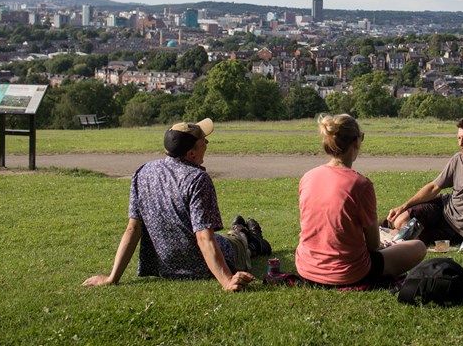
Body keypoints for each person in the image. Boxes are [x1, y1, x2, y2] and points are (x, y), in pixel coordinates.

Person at [82, 118, 269, 291]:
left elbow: (133, 228)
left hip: (164, 267)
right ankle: (248, 238)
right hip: (200, 267)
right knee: (236, 244)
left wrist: (112, 278)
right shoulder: (197, 179)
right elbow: (204, 239)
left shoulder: (143, 172)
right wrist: (227, 281)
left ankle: (241, 232)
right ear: (191, 153)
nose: (207, 143)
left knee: (225, 239)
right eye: (203, 140)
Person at [295, 113, 426, 286]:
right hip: (348, 272)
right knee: (418, 247)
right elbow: (373, 246)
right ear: (356, 141)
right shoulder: (360, 184)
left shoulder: (308, 177)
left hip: (306, 267)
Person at [386, 114, 463, 245]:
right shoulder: (457, 159)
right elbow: (433, 187)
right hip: (442, 207)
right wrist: (403, 206)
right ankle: (386, 229)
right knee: (400, 221)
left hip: (459, 229)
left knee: (410, 238)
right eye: (459, 138)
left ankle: (389, 234)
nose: (460, 143)